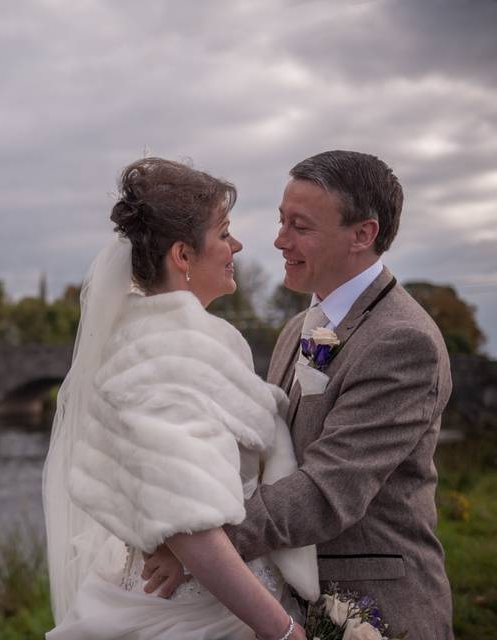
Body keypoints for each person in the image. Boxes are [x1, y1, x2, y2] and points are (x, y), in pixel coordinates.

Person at [140, 151, 454, 640]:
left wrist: (201, 546)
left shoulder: (401, 341)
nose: (279, 240)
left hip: (374, 608)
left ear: (362, 235)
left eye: (300, 227)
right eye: (281, 221)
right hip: (291, 599)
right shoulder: (296, 328)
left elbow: (330, 489)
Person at [43, 157, 318, 640]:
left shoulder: (191, 343)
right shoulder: (161, 357)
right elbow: (191, 529)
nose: (237, 245)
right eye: (224, 232)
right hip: (196, 616)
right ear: (183, 256)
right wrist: (284, 632)